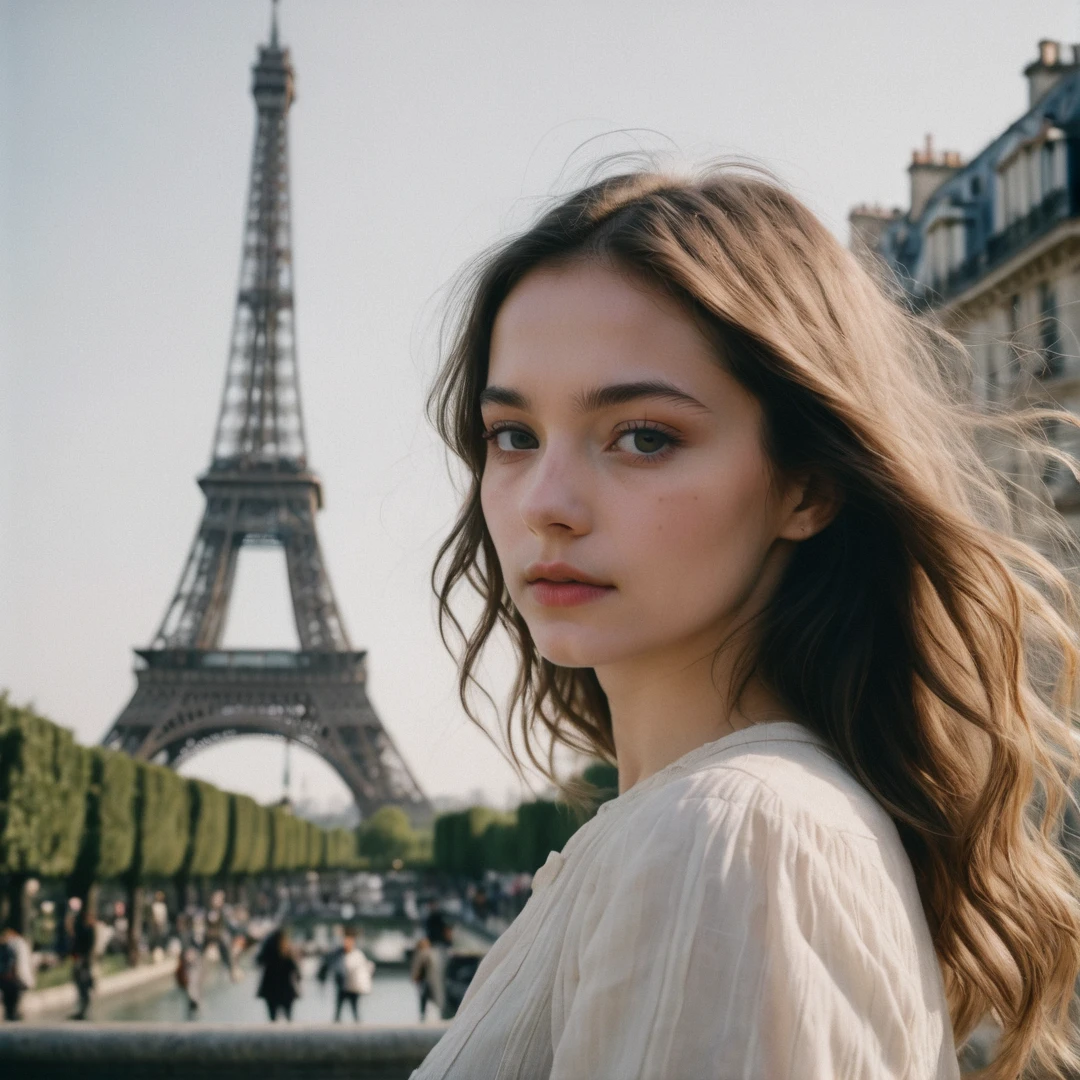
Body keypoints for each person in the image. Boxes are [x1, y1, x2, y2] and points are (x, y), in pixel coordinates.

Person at [412, 166, 1080, 1079]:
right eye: (513, 436)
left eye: (644, 436)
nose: (545, 504)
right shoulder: (728, 825)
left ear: (808, 485)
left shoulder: (725, 839)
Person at [326, 928, 374, 1022]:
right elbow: (332, 964)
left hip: (353, 986)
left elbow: (364, 969)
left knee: (354, 1008)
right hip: (342, 985)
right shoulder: (338, 953)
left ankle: (357, 1026)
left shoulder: (357, 954)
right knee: (339, 1009)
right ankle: (336, 1025)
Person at [255, 926, 300, 1021]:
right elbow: (296, 971)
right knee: (289, 1018)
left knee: (272, 1019)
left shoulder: (267, 952)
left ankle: (273, 1035)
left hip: (270, 990)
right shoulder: (287, 953)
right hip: (286, 990)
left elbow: (257, 961)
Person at [68, 904, 97, 1021]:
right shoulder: (83, 928)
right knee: (81, 985)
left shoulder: (89, 930)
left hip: (84, 961)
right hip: (81, 960)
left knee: (84, 985)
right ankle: (82, 1010)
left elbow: (86, 947)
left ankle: (83, 1010)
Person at [0, 925, 34, 1021]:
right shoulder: (20, 943)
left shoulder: (13, 943)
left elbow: (13, 961)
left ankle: (12, 1013)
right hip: (16, 977)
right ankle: (13, 1013)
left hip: (14, 978)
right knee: (12, 996)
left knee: (12, 996)